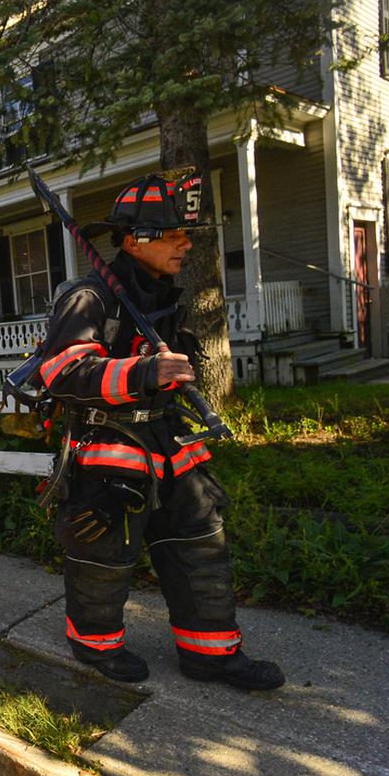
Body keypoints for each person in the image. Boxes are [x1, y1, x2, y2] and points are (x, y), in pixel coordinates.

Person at [37, 171, 284, 690]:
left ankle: (210, 653)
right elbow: (61, 373)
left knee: (202, 546)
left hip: (171, 443)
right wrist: (144, 371)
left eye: (185, 234)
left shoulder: (165, 295)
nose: (185, 244)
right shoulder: (88, 299)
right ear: (134, 241)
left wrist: (177, 365)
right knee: (102, 556)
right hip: (109, 449)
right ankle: (96, 646)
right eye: (174, 235)